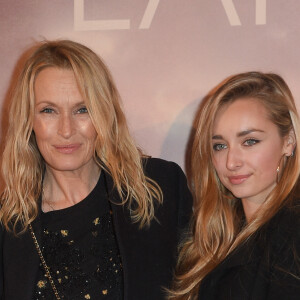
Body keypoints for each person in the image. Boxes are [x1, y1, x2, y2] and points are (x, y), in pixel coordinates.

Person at [0, 40, 192, 300]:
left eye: (82, 110)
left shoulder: (160, 187)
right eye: (48, 111)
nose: (66, 130)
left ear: (104, 114)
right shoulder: (9, 226)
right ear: (28, 120)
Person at [169, 72, 300, 299]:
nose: (231, 162)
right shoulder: (217, 232)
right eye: (220, 146)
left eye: (249, 142)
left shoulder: (292, 233)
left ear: (288, 141)